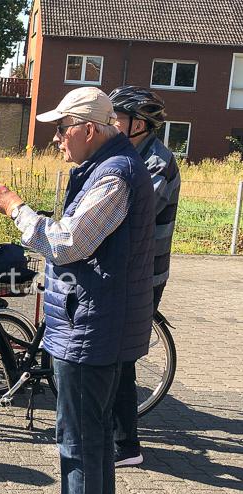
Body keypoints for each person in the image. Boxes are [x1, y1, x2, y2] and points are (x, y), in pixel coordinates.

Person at [0, 87, 155, 494]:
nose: (56, 138)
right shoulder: (108, 167)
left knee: (78, 441)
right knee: (95, 437)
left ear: (90, 129)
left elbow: (67, 244)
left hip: (91, 326)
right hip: (99, 320)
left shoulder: (114, 176)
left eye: (62, 128)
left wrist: (16, 208)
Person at [108, 86, 181, 468]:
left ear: (140, 123)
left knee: (121, 357)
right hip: (123, 271)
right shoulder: (127, 154)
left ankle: (126, 445)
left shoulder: (158, 161)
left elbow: (130, 211)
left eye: (117, 117)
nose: (111, 123)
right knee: (113, 353)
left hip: (143, 274)